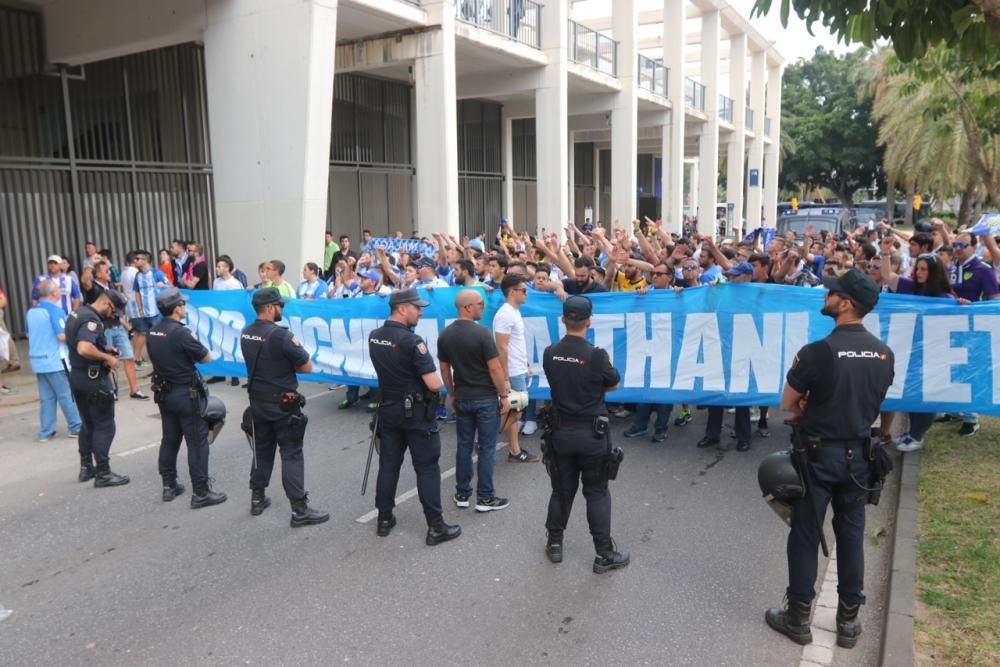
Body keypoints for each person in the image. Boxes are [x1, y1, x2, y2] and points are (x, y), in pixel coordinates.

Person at [766, 269, 894, 649]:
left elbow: (787, 403)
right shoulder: (884, 353)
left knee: (805, 534)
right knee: (851, 537)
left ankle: (798, 618)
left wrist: (809, 403)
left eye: (832, 292)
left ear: (846, 303)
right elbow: (872, 401)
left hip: (819, 457)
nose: (826, 295)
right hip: (860, 458)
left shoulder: (817, 352)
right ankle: (849, 622)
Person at [541, 296, 629, 573]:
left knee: (561, 491)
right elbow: (613, 385)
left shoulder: (550, 352)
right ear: (589, 322)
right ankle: (604, 553)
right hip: (591, 435)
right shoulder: (597, 355)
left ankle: (555, 543)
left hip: (560, 433)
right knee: (597, 492)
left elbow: (559, 381)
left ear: (563, 320)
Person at [368, 288, 461, 545]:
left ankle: (384, 519)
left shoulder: (375, 336)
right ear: (402, 308)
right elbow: (433, 384)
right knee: (427, 469)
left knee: (389, 464)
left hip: (388, 410)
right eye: (417, 308)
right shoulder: (413, 342)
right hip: (417, 414)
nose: (420, 312)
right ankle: (436, 527)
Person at [240, 288, 328, 526]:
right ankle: (299, 510)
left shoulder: (246, 333)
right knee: (291, 454)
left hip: (257, 403)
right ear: (269, 308)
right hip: (283, 405)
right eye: (280, 305)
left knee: (262, 450)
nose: (282, 309)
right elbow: (306, 367)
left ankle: (257, 498)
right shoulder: (282, 336)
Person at [147, 288, 227, 509]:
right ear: (177, 308)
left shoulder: (153, 331)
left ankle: (169, 485)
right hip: (185, 394)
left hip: (164, 394)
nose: (185, 308)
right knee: (197, 442)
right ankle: (201, 492)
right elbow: (206, 357)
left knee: (170, 439)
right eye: (182, 304)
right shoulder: (181, 332)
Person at [438, 290, 511, 513]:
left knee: (464, 446)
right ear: (468, 307)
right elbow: (494, 367)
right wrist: (504, 395)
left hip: (463, 397)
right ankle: (485, 498)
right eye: (480, 304)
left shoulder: (446, 335)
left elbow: (444, 367)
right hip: (485, 398)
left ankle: (462, 493)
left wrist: (452, 392)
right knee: (487, 448)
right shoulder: (482, 334)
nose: (483, 307)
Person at [65, 289, 131, 487]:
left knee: (88, 423)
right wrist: (107, 358)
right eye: (113, 312)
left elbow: (82, 343)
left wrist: (104, 349)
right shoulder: (92, 319)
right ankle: (103, 472)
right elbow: (84, 348)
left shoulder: (77, 312)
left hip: (77, 376)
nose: (113, 317)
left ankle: (86, 468)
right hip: (92, 378)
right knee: (104, 424)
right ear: (106, 303)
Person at [81, 261, 148, 400]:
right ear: (98, 274)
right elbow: (85, 281)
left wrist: (124, 324)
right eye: (106, 271)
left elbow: (116, 310)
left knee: (129, 357)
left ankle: (134, 390)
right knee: (108, 360)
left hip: (117, 327)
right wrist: (90, 264)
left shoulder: (110, 286)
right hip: (104, 330)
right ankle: (110, 391)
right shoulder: (93, 288)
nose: (110, 273)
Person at [26, 280, 81, 441]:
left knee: (47, 398)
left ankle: (46, 432)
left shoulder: (31, 312)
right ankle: (76, 426)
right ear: (53, 294)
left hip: (38, 361)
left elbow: (29, 335)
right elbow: (61, 336)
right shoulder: (55, 311)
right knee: (67, 395)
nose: (60, 292)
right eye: (58, 289)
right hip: (56, 360)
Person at [493, 274, 538, 463]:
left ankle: (514, 450)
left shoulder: (514, 312)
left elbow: (514, 344)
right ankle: (487, 437)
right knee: (516, 411)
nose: (527, 294)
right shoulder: (505, 314)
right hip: (511, 372)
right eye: (524, 290)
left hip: (518, 368)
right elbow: (501, 347)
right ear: (512, 292)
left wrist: (525, 362)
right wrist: (504, 376)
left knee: (513, 412)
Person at [129, 251, 168, 368]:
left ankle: (164, 364)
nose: (135, 261)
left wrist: (164, 286)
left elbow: (169, 286)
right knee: (149, 341)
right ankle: (156, 366)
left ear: (145, 260)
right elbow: (137, 292)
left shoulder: (156, 273)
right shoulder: (138, 276)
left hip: (157, 313)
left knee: (159, 339)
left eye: (138, 259)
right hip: (144, 314)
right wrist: (140, 308)